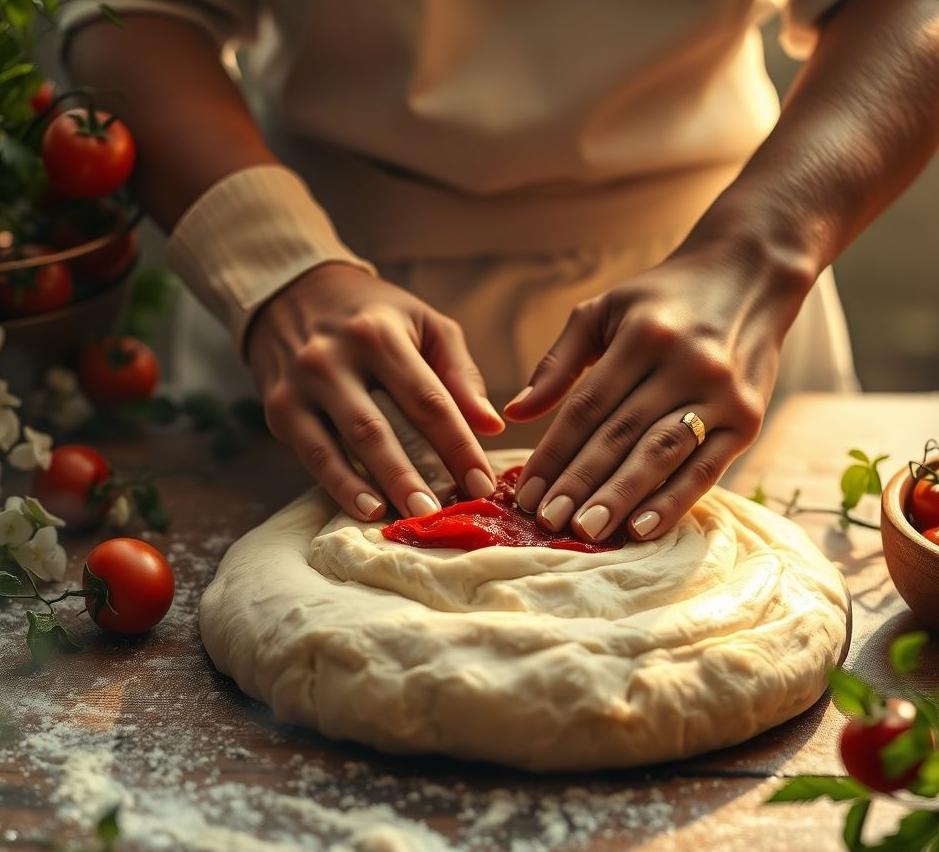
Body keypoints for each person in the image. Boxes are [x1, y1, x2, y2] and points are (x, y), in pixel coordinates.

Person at [62, 0, 939, 543]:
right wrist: (275, 270)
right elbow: (126, 18)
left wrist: (758, 256)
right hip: (314, 327)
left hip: (710, 316)